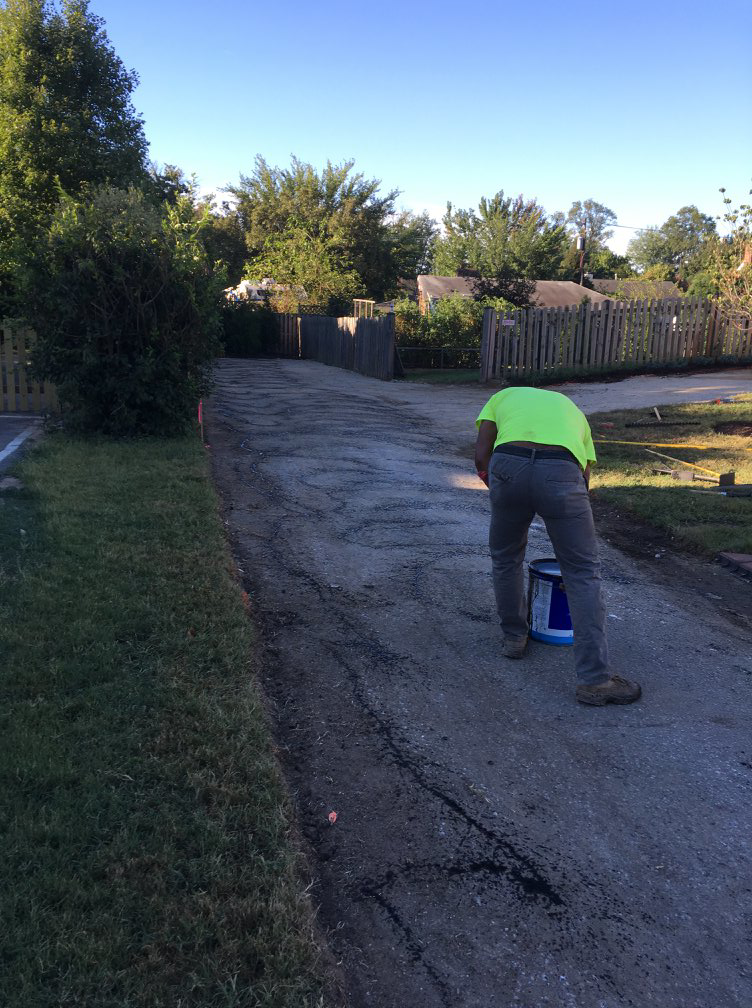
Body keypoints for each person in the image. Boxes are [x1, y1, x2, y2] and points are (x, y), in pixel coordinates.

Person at [474, 385, 641, 706]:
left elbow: (482, 453)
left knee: (506, 557)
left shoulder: (501, 397)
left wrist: (497, 486)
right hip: (562, 471)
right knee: (582, 572)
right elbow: (584, 476)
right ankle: (595, 681)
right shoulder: (573, 413)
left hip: (508, 465)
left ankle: (514, 637)